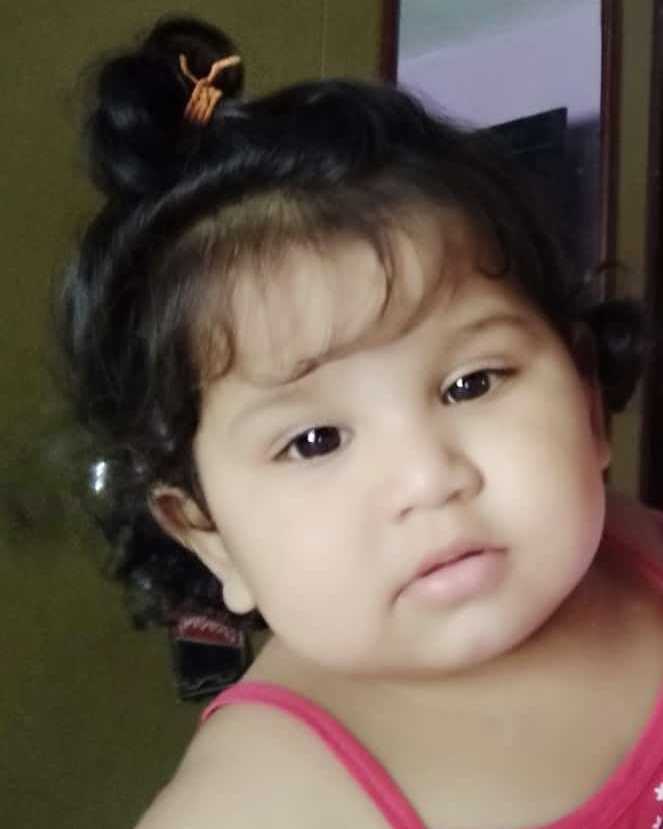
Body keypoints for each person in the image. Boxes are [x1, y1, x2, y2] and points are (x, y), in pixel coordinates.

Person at [57, 14, 663, 829]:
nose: (428, 477)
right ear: (208, 533)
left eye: (471, 383)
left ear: (587, 404)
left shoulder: (636, 554)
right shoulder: (256, 805)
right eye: (314, 440)